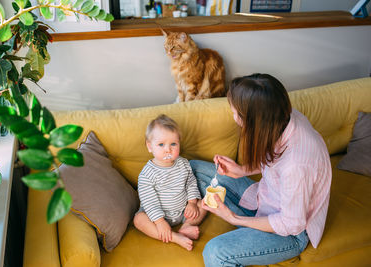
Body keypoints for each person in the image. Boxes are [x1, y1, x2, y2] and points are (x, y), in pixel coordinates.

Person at [190, 73, 332, 266]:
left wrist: (234, 218)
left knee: (216, 253)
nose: (233, 117)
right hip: (264, 199)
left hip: (289, 233)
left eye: (236, 113)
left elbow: (291, 223)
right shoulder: (282, 116)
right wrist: (242, 170)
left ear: (254, 121)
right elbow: (275, 160)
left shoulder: (298, 165)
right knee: (194, 168)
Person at [133, 114, 207, 251]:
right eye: (161, 144)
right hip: (156, 217)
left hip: (183, 212)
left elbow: (191, 182)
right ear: (150, 147)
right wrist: (160, 222)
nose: (168, 149)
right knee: (138, 220)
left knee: (204, 204)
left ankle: (186, 227)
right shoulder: (147, 173)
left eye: (173, 144)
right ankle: (174, 237)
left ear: (179, 143)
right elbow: (149, 201)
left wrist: (191, 203)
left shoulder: (183, 164)